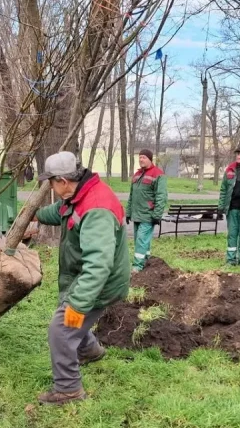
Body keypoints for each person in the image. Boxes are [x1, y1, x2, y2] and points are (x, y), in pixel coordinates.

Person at [35, 151, 130, 405]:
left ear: (63, 181)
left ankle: (68, 389)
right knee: (70, 319)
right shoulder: (80, 194)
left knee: (62, 328)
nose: (51, 187)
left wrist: (77, 305)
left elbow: (99, 266)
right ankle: (90, 351)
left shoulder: (96, 208)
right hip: (86, 279)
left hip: (100, 285)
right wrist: (34, 214)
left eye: (51, 182)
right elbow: (61, 211)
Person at [125, 149, 167, 272]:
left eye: (143, 157)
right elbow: (132, 195)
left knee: (141, 240)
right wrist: (128, 213)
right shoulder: (137, 175)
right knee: (141, 239)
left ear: (150, 159)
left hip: (148, 214)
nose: (141, 159)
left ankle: (137, 266)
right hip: (136, 214)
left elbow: (161, 196)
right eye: (139, 157)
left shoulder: (158, 174)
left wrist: (157, 215)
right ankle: (146, 260)